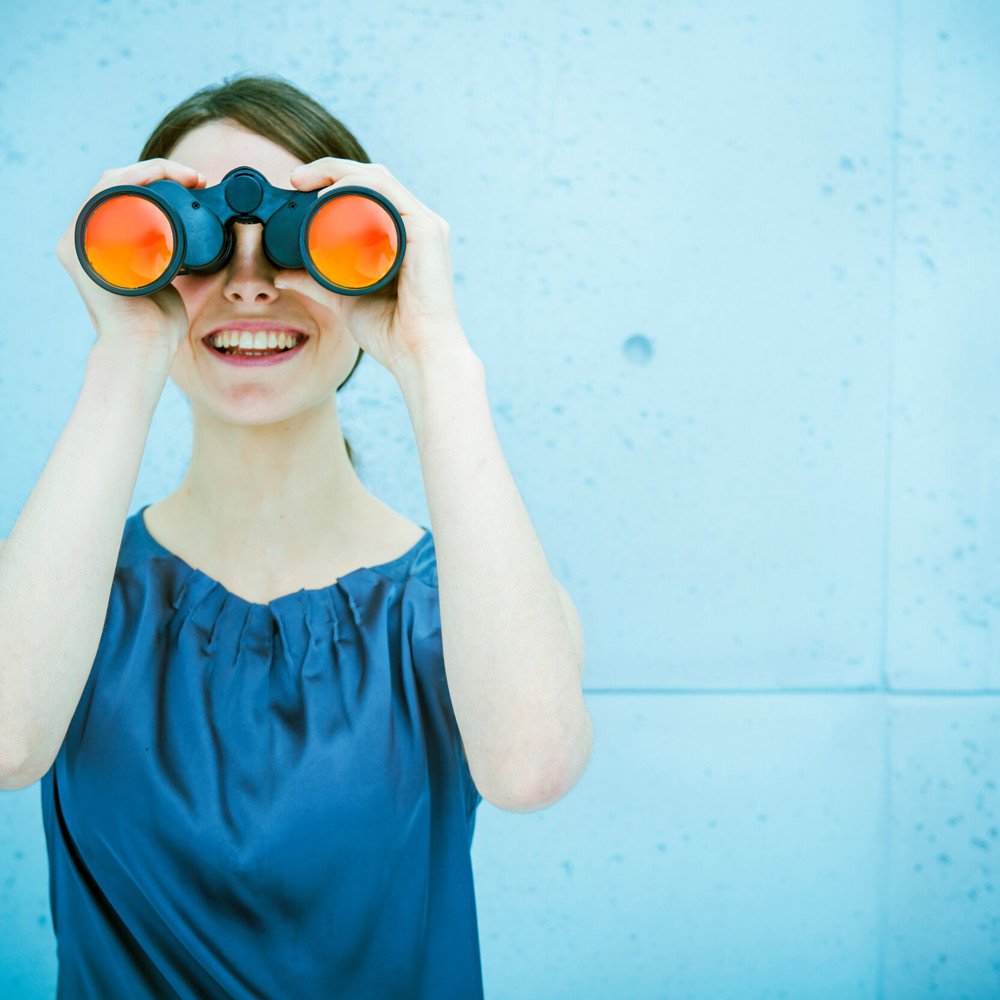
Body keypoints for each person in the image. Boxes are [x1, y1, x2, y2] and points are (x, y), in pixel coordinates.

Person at [0, 73, 592, 998]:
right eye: (192, 244)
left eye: (299, 239)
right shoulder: (70, 592)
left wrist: (436, 356)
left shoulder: (456, 603)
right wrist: (126, 353)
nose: (249, 286)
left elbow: (532, 767)